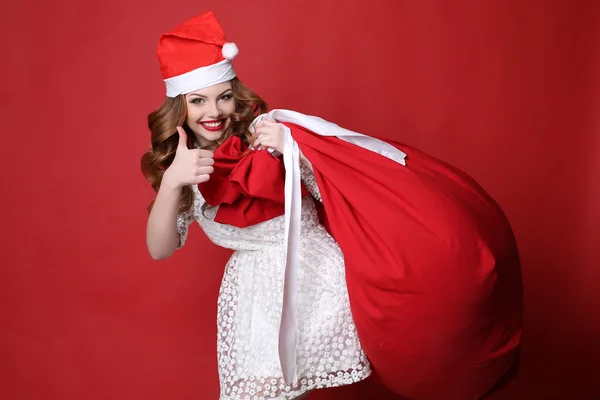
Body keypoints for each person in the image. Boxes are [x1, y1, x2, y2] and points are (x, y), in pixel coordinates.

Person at [141, 10, 523, 400]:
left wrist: (294, 151)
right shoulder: (181, 169)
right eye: (198, 101)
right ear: (179, 106)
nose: (214, 111)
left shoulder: (267, 133)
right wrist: (173, 181)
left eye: (223, 97)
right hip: (255, 298)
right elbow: (160, 249)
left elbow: (341, 188)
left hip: (317, 278)